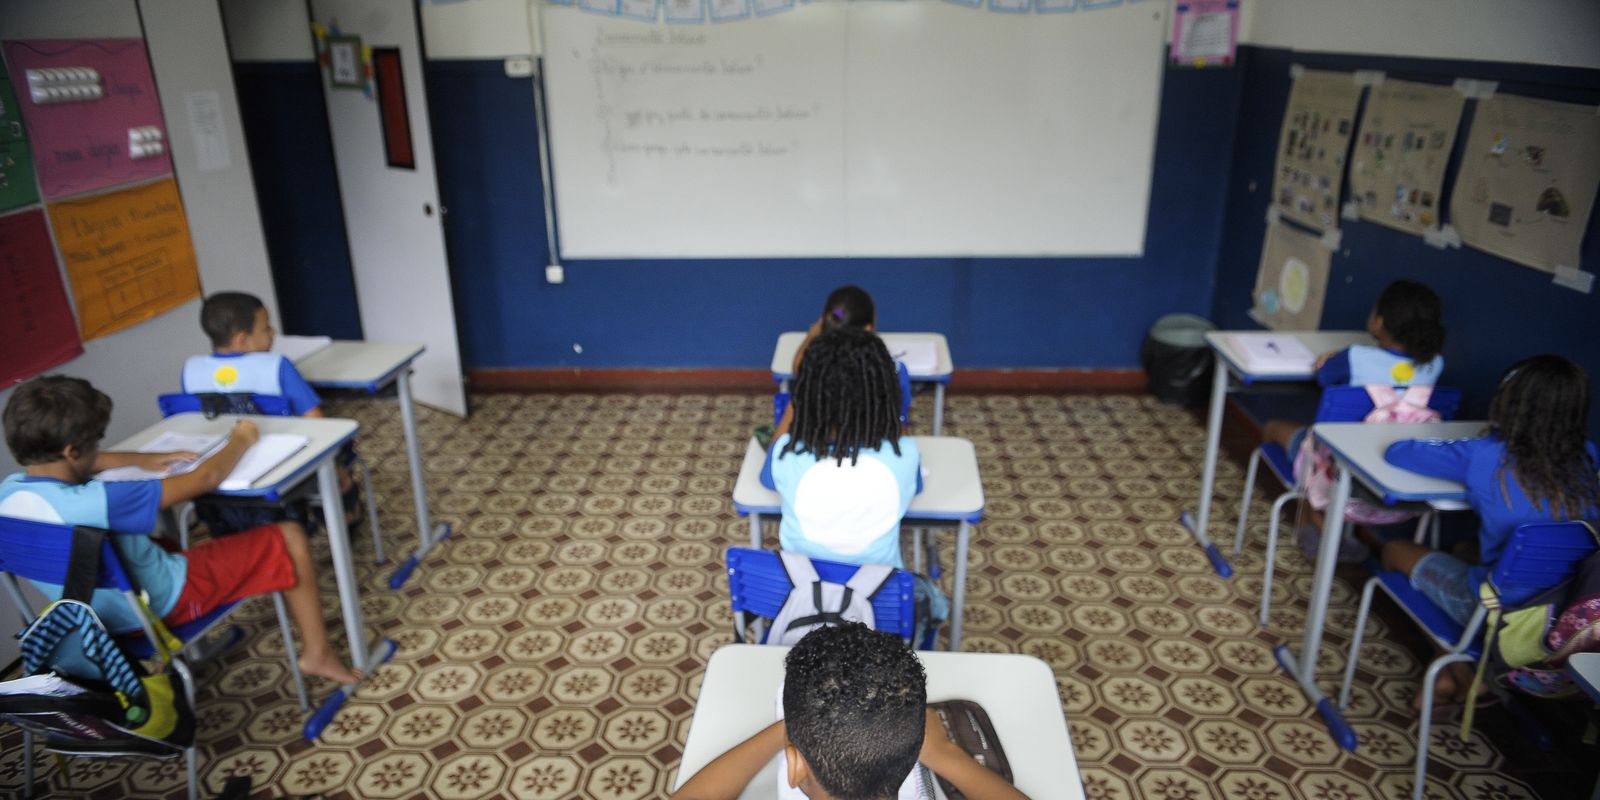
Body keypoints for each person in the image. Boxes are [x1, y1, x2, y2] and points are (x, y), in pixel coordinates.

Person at [0, 375, 359, 684]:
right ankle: (318, 654)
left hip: (94, 620)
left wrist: (141, 460)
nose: (99, 449)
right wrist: (242, 438)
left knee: (164, 542)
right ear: (72, 450)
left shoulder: (9, 494)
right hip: (160, 604)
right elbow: (206, 477)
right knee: (290, 535)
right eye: (96, 442)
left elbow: (81, 464)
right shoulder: (101, 500)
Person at [1381, 355, 1600, 711]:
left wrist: (1483, 438)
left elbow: (1399, 452)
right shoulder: (1589, 457)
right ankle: (1450, 675)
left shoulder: (1486, 454)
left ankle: (1462, 672)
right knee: (1463, 547)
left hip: (1498, 609)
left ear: (1510, 403)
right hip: (1561, 608)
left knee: (1394, 550)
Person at [671, 622, 1029, 800]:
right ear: (912, 750)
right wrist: (945, 753)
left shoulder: (796, 762)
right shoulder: (920, 760)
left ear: (795, 766)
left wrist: (795, 725)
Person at [1259, 279, 1448, 559]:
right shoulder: (1435, 364)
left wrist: (1329, 359)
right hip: (1398, 490)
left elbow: (1324, 376)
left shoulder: (1356, 357)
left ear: (1379, 322)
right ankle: (1315, 525)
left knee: (1274, 428)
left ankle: (1310, 522)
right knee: (1325, 451)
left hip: (1335, 482)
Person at [763, 326, 920, 569]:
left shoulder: (786, 453)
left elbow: (767, 480)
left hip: (801, 589)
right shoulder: (905, 455)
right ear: (886, 393)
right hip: (881, 591)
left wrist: (798, 405)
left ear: (807, 395)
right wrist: (891, 413)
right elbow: (916, 487)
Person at [772, 286, 912, 441]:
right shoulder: (884, 372)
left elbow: (798, 367)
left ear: (824, 324)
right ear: (869, 328)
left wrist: (811, 336)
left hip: (820, 446)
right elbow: (900, 431)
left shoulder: (814, 373)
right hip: (872, 442)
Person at [182, 292, 324, 417]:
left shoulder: (192, 370)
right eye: (266, 328)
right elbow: (313, 416)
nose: (273, 332)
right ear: (242, 340)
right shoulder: (277, 366)